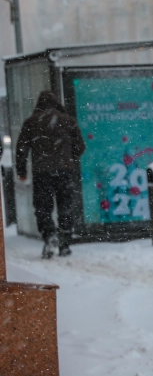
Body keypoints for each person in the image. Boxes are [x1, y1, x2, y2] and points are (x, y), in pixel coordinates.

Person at [15, 91, 86, 259]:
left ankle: (50, 235)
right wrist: (69, 158)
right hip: (64, 172)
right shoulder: (68, 121)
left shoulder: (32, 122)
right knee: (65, 207)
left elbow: (21, 149)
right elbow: (80, 146)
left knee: (43, 208)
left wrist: (22, 170)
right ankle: (65, 242)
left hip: (42, 172)